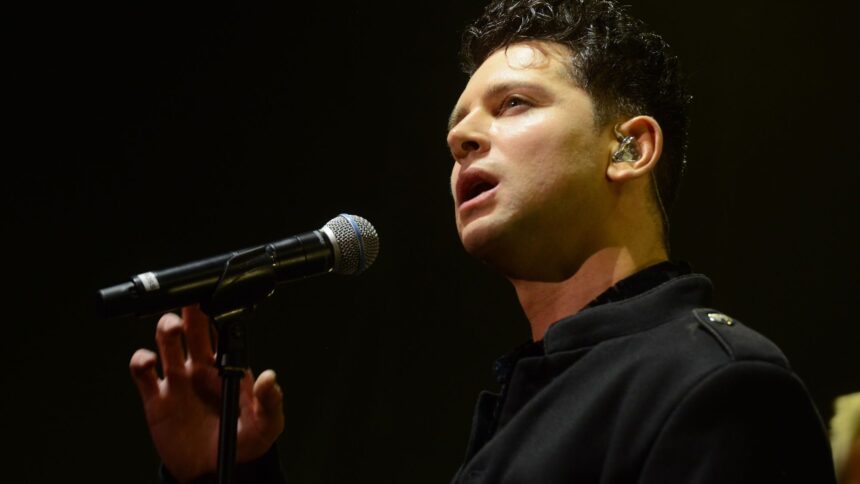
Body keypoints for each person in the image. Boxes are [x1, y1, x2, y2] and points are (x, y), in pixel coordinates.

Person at [130, 0, 837, 482]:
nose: (461, 138)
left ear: (628, 146)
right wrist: (228, 471)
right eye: (459, 126)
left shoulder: (719, 386)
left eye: (514, 105)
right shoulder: (522, 405)